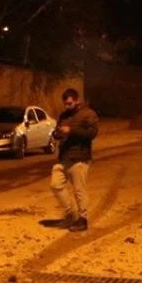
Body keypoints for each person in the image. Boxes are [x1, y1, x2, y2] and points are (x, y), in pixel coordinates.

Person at [51, 88, 99, 231]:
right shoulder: (64, 115)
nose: (67, 106)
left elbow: (92, 133)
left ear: (77, 100)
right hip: (64, 157)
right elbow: (57, 132)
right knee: (56, 184)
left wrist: (71, 130)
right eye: (65, 104)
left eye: (69, 103)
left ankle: (82, 220)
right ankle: (71, 215)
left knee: (79, 190)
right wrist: (57, 133)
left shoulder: (88, 114)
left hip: (80, 158)